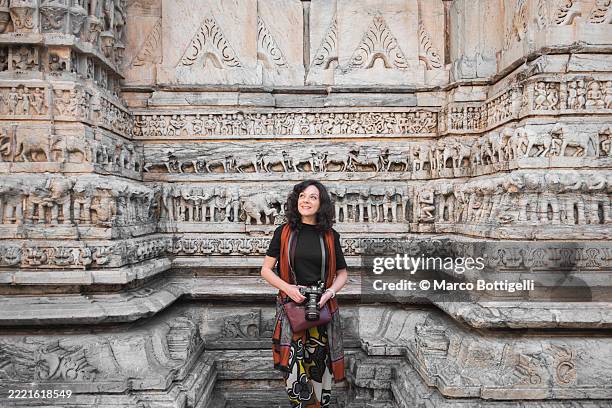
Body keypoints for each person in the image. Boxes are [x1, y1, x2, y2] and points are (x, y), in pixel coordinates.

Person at [261, 179, 348, 407]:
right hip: (292, 312)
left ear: (321, 204)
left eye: (312, 197)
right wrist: (288, 288)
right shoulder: (283, 232)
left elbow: (342, 274)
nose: (306, 201)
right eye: (302, 196)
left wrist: (328, 293)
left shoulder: (330, 236)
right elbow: (266, 270)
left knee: (320, 373)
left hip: (321, 312)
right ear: (295, 200)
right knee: (294, 375)